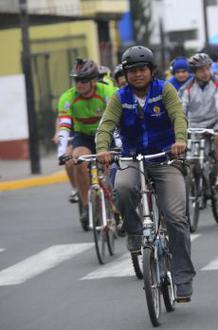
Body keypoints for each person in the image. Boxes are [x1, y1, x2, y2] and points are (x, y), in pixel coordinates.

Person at [95, 45, 195, 302]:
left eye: (142, 69)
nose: (138, 75)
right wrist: (103, 149)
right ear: (126, 74)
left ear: (151, 71)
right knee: (123, 188)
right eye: (132, 71)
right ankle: (135, 232)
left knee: (176, 218)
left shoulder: (165, 89)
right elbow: (106, 125)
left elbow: (178, 117)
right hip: (131, 158)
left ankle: (183, 278)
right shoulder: (119, 97)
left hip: (164, 158)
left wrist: (180, 141)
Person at [56, 58, 117, 230]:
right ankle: (85, 206)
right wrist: (61, 151)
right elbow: (65, 126)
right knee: (78, 162)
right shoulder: (68, 98)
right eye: (76, 80)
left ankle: (116, 201)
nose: (79, 84)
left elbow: (118, 120)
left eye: (83, 80)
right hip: (83, 136)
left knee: (111, 167)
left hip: (106, 134)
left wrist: (119, 144)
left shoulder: (108, 92)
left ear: (92, 81)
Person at [180, 53, 218, 187]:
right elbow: (181, 112)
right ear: (194, 72)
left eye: (208, 68)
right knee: (191, 160)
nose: (206, 72)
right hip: (194, 125)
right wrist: (181, 129)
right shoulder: (186, 88)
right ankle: (196, 188)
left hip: (216, 123)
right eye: (201, 70)